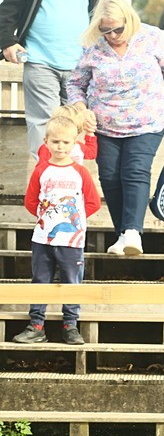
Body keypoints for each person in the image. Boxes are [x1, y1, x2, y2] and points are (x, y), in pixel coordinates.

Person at [67, 0, 164, 256]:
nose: (113, 35)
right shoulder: (93, 46)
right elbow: (75, 84)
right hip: (105, 125)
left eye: (118, 29)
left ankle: (133, 232)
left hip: (146, 121)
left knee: (135, 171)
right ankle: (123, 235)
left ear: (129, 19)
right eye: (106, 30)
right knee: (109, 176)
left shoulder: (151, 37)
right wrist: (81, 109)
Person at [0, 0, 109, 157]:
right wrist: (7, 41)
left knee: (77, 127)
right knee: (46, 126)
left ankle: (70, 178)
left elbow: (105, 10)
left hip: (80, 64)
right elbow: (10, 6)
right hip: (40, 58)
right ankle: (47, 175)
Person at [13, 115, 101, 345]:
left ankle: (70, 326)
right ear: (46, 142)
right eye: (55, 142)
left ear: (74, 144)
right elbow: (31, 201)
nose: (60, 146)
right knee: (40, 279)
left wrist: (72, 221)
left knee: (72, 281)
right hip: (43, 238)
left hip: (72, 241)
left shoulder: (80, 173)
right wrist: (47, 219)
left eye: (65, 142)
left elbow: (93, 203)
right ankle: (36, 326)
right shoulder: (41, 170)